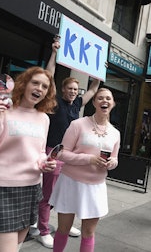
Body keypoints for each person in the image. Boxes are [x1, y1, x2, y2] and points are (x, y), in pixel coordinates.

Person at [0, 67, 57, 252]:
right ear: (23, 84)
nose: (39, 88)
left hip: (30, 190)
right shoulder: (0, 110)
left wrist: (44, 162)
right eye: (35, 83)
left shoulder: (44, 118)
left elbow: (39, 153)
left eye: (45, 86)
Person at [36, 38, 100, 248]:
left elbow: (93, 89)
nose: (73, 91)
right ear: (63, 90)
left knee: (65, 192)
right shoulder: (55, 101)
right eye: (70, 89)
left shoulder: (78, 105)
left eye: (76, 89)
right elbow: (49, 75)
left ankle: (63, 224)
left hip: (70, 156)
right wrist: (54, 53)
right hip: (53, 152)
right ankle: (43, 229)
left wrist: (99, 72)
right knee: (48, 194)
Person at [49, 88, 120, 252]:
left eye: (108, 98)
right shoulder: (78, 124)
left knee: (88, 232)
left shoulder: (115, 133)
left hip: (96, 186)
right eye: (100, 98)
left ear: (113, 103)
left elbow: (115, 158)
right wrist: (88, 159)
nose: (105, 101)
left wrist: (111, 163)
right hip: (70, 183)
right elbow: (61, 153)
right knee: (63, 229)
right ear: (94, 102)